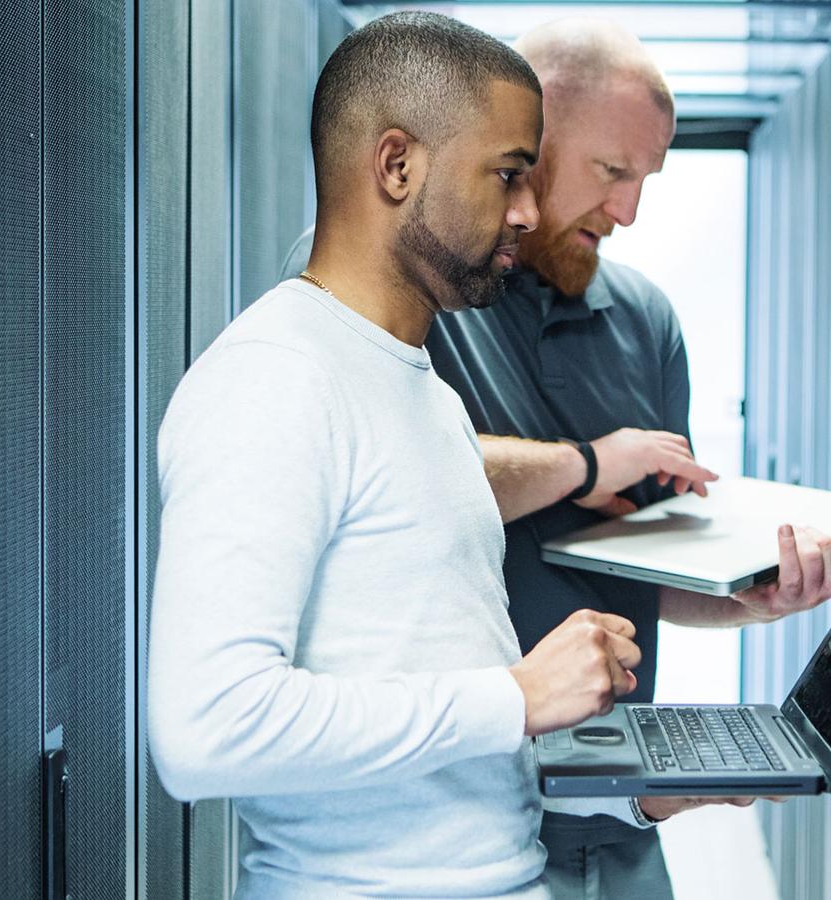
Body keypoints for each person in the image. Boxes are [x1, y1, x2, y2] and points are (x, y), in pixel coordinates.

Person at [283, 19, 831, 897]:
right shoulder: (392, 279)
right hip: (458, 828)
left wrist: (748, 597)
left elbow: (651, 569)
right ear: (531, 131)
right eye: (612, 171)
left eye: (647, 179)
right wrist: (588, 463)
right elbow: (368, 473)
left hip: (626, 818)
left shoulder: (647, 323)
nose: (630, 210)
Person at [149, 13, 648, 898]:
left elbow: (452, 769)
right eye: (507, 174)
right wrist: (517, 695)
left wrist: (644, 795)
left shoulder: (425, 393)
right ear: (396, 165)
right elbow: (205, 729)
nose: (528, 212)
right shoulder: (275, 380)